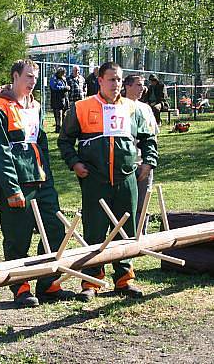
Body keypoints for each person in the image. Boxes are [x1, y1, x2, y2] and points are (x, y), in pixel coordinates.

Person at [58, 62, 158, 302]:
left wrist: (148, 161)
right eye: (112, 79)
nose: (116, 85)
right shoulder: (81, 107)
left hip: (126, 178)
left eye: (119, 80)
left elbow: (148, 138)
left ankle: (124, 279)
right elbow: (65, 140)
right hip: (95, 179)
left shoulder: (133, 108)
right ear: (100, 80)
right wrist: (74, 162)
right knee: (94, 229)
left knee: (127, 230)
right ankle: (91, 282)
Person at [0, 59, 75, 308]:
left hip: (42, 181)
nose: (32, 82)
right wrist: (12, 188)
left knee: (55, 230)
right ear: (15, 76)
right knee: (17, 237)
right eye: (28, 77)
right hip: (17, 183)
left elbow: (41, 144)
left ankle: (49, 285)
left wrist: (49, 179)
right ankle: (21, 288)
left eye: (35, 77)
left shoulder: (35, 107)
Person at [123, 74, 159, 233]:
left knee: (143, 202)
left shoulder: (146, 108)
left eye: (143, 85)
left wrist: (149, 160)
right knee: (126, 204)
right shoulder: (121, 106)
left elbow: (153, 134)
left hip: (144, 162)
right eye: (138, 85)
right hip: (127, 163)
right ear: (127, 86)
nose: (142, 89)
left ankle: (141, 235)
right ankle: (126, 236)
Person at [49, 67, 70, 133]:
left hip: (64, 98)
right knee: (58, 114)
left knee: (64, 114)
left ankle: (64, 127)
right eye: (63, 73)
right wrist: (64, 88)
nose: (64, 75)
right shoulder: (54, 78)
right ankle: (58, 128)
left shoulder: (63, 79)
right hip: (57, 99)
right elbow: (54, 87)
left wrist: (67, 87)